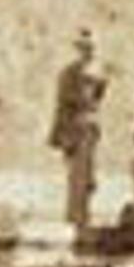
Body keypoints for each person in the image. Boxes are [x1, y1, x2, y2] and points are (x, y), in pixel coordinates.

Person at [47, 32, 109, 231]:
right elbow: (62, 105)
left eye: (91, 48)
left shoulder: (99, 74)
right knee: (76, 175)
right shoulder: (68, 74)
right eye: (84, 48)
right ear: (78, 50)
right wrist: (61, 135)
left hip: (90, 127)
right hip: (74, 127)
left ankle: (84, 215)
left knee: (89, 176)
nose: (88, 52)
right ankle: (75, 218)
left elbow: (98, 100)